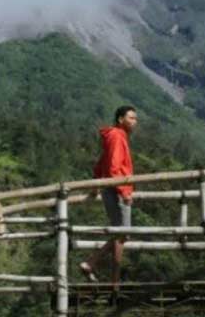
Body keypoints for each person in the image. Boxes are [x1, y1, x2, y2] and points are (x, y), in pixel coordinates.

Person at [79, 105, 137, 291]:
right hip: (117, 191)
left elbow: (101, 164)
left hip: (111, 189)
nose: (135, 122)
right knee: (121, 236)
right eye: (131, 118)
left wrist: (96, 186)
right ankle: (113, 281)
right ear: (120, 119)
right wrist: (124, 191)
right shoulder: (117, 136)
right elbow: (112, 168)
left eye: (135, 119)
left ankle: (94, 265)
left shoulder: (113, 136)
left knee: (120, 235)